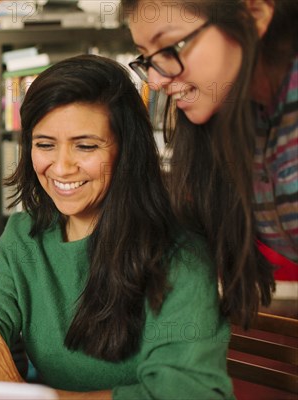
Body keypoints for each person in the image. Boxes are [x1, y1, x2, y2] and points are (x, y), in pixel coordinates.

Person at [0, 54, 234, 399]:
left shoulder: (181, 253)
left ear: (126, 151)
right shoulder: (25, 234)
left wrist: (32, 396)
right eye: (45, 145)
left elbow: (185, 393)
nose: (62, 167)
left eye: (85, 146)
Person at [122, 0, 298, 323]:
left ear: (255, 14)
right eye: (147, 57)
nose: (156, 81)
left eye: (171, 46)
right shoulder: (235, 120)